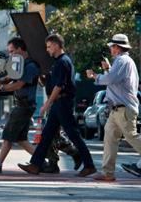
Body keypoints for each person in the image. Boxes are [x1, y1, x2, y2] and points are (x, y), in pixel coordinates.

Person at [18, 34, 96, 177]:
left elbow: (59, 86)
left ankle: (89, 165)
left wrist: (46, 104)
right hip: (59, 103)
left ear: (55, 45)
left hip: (63, 102)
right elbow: (51, 83)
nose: (47, 50)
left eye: (48, 47)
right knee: (47, 135)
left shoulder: (63, 62)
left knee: (74, 135)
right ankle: (35, 165)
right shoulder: (58, 62)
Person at [0, 37, 41, 173]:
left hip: (25, 106)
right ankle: (42, 161)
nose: (11, 55)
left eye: (12, 51)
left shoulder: (30, 66)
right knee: (21, 139)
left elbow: (18, 85)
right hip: (22, 105)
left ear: (20, 49)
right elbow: (9, 78)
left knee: (8, 135)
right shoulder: (20, 65)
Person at [86, 33, 141, 181]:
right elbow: (114, 81)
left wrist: (95, 76)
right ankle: (107, 173)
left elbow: (109, 79)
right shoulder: (122, 61)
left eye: (111, 46)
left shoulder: (122, 60)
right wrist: (106, 69)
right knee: (110, 139)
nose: (110, 49)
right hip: (117, 109)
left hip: (123, 108)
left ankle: (107, 173)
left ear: (117, 47)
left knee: (131, 136)